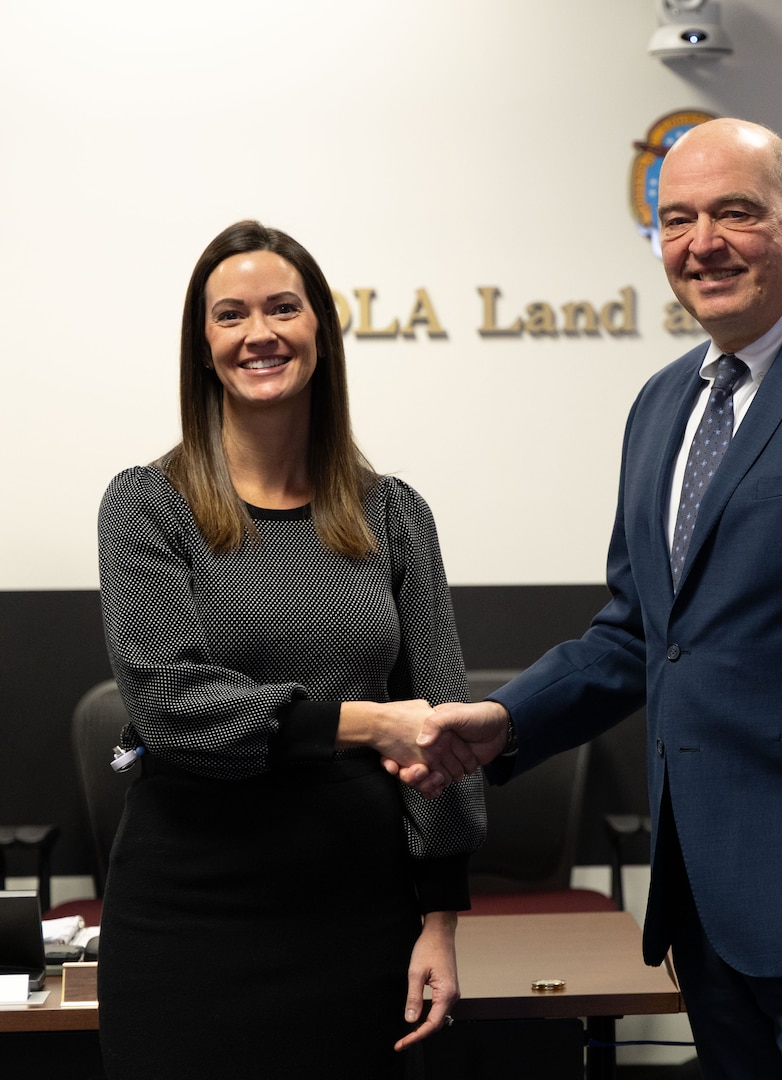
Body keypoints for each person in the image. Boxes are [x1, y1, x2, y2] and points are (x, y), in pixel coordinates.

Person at [396, 119, 782, 1078]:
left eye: (736, 212)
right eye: (677, 220)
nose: (703, 244)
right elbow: (642, 633)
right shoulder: (662, 405)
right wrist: (505, 722)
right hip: (708, 916)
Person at [96, 220, 485, 1080]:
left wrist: (441, 919)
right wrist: (368, 723)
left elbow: (444, 724)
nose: (259, 333)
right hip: (188, 909)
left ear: (320, 331)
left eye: (283, 308)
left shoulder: (393, 515)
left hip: (359, 911)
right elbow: (169, 704)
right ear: (204, 346)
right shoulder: (146, 506)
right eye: (230, 315)